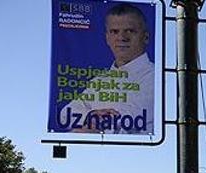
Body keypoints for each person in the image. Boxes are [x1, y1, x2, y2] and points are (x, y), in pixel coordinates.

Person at [61, 3, 154, 134]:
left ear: (145, 37)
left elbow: (124, 125)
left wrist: (85, 125)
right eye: (115, 32)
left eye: (130, 31)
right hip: (91, 153)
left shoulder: (156, 79)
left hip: (136, 153)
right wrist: (90, 115)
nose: (122, 38)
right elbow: (65, 115)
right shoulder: (99, 82)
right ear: (107, 38)